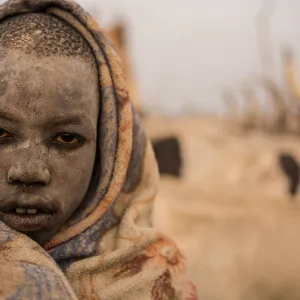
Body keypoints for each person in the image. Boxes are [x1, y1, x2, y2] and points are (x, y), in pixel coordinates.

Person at [0, 0, 198, 299]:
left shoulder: (154, 281)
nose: (28, 171)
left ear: (110, 152)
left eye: (66, 138)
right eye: (1, 132)